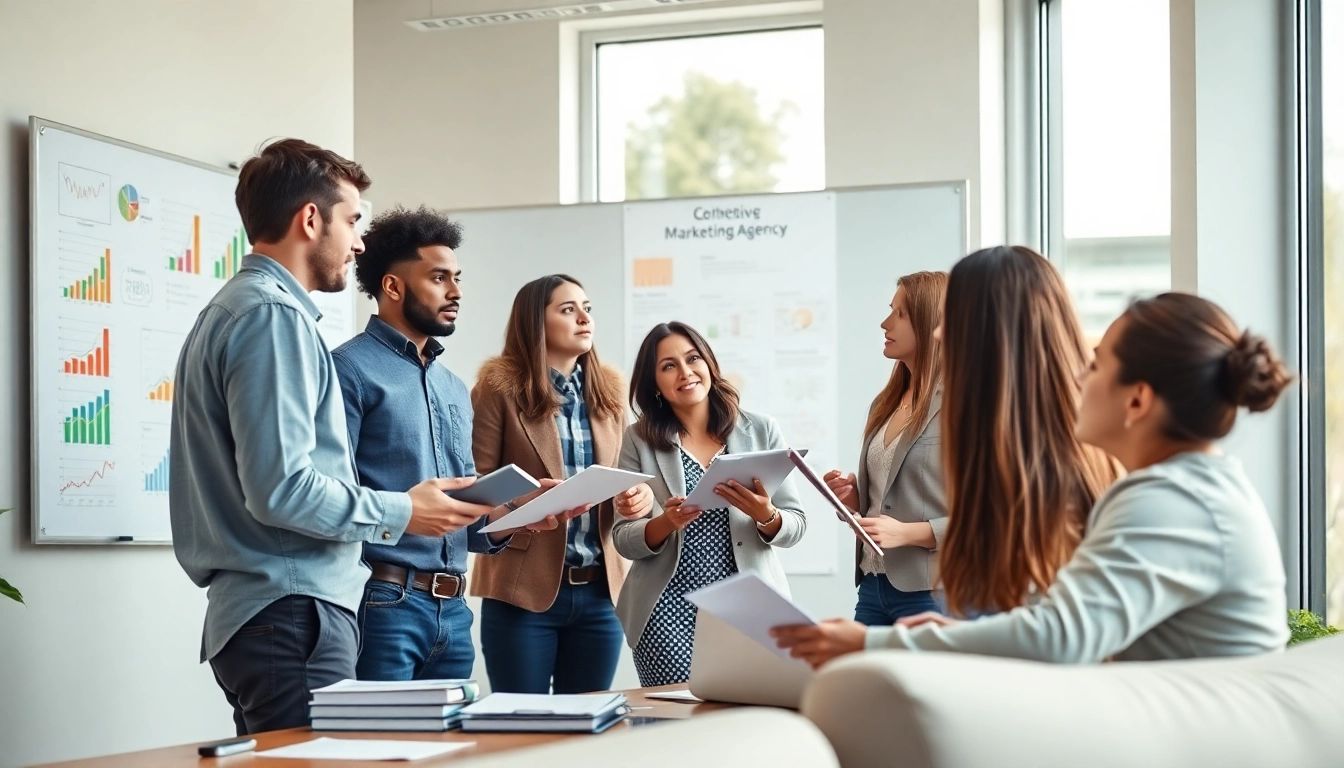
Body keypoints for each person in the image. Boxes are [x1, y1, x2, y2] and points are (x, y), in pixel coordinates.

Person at [774, 291, 1292, 665]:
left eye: (1096, 365)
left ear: (1137, 400)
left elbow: (1064, 636)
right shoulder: (1185, 487)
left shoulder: (1174, 500)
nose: (1078, 378)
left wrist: (873, 643)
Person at [169, 140, 491, 736]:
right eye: (351, 221)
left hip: (276, 613)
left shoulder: (236, 310)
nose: (360, 243)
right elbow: (283, 490)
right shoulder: (272, 317)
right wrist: (403, 510)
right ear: (310, 219)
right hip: (293, 611)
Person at [332, 206, 581, 681]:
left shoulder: (450, 386)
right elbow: (333, 497)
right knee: (381, 753)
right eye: (440, 278)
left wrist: (524, 516)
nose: (456, 292)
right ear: (392, 287)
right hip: (383, 603)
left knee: (449, 756)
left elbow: (469, 525)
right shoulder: (347, 371)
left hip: (455, 610)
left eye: (458, 278)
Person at [470, 274, 653, 693]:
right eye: (568, 309)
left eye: (587, 308)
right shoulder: (497, 390)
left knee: (583, 738)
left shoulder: (609, 395)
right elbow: (477, 486)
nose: (584, 318)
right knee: (522, 733)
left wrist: (638, 498)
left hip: (601, 594)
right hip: (521, 591)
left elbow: (628, 480)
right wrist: (528, 500)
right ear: (536, 322)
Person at [614, 321, 808, 687]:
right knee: (677, 725)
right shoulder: (638, 439)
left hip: (749, 604)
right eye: (668, 366)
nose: (685, 372)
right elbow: (623, 538)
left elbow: (795, 524)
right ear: (653, 382)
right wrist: (666, 522)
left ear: (709, 363)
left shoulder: (761, 429)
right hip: (666, 608)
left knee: (751, 720)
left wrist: (766, 516)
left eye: (693, 358)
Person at [824, 271, 949, 625]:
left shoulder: (964, 404)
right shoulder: (888, 402)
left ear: (930, 321)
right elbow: (889, 497)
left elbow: (990, 517)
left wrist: (908, 533)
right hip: (873, 585)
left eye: (899, 313)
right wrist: (854, 500)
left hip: (932, 592)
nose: (884, 323)